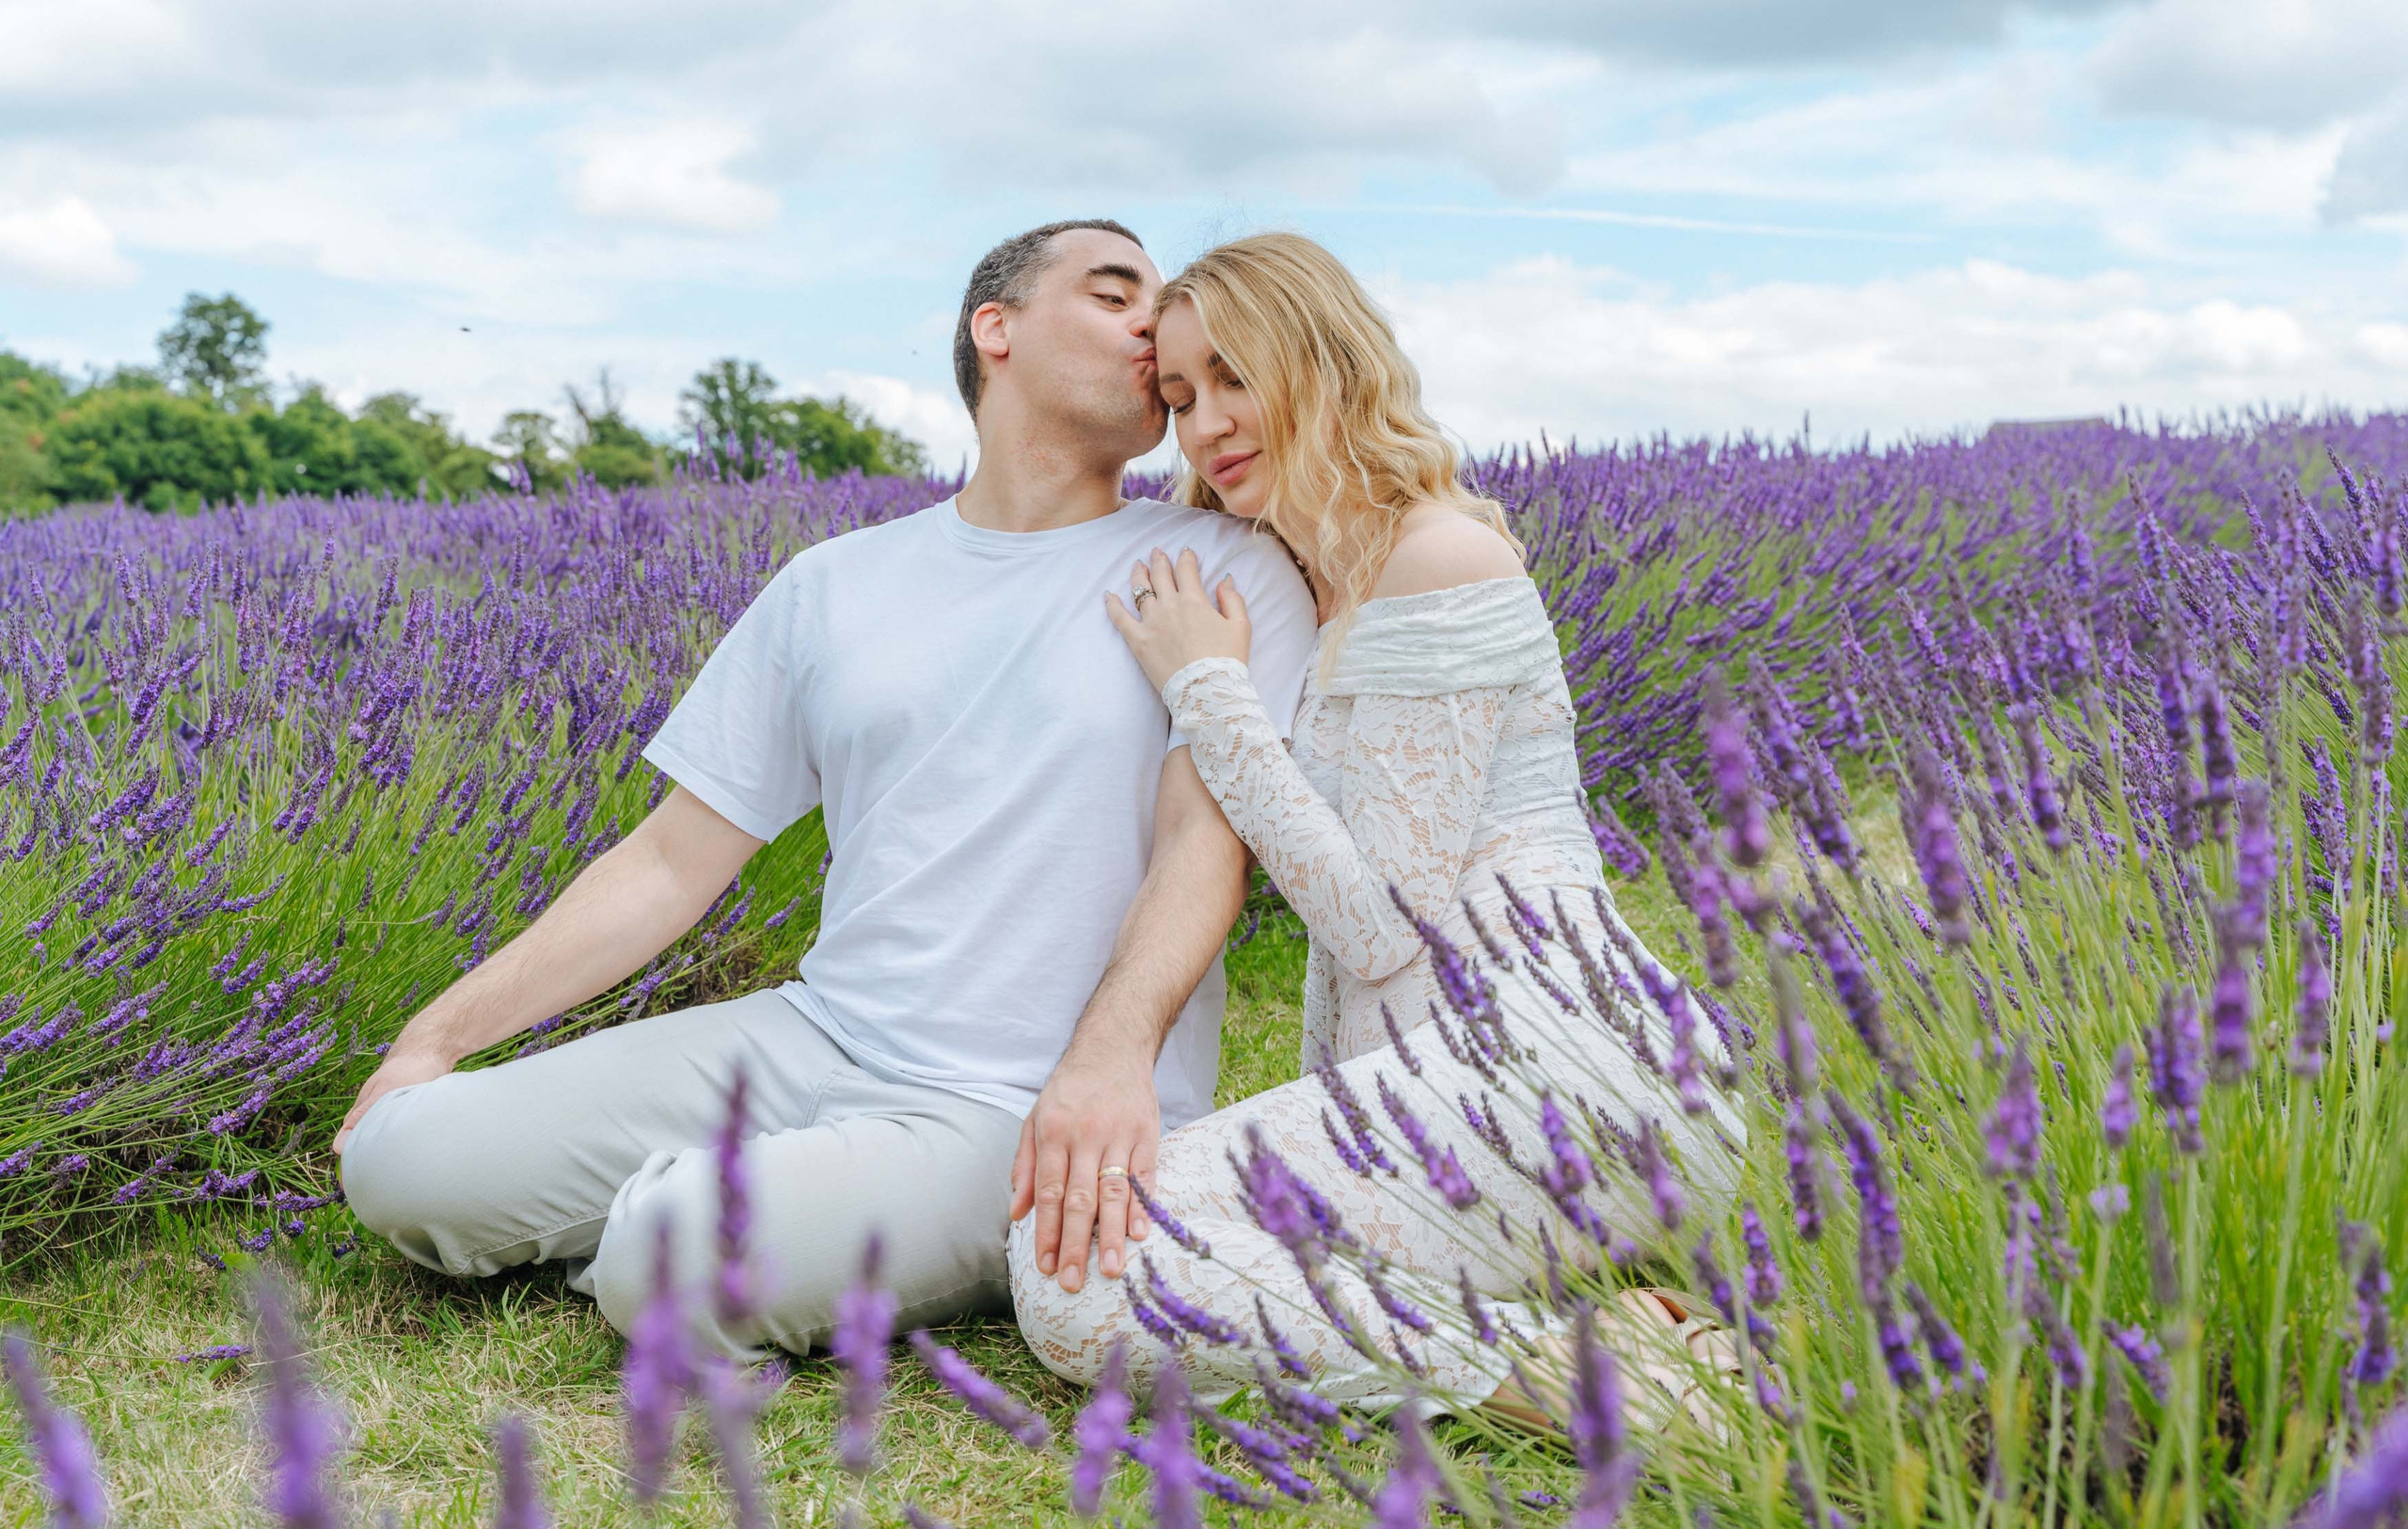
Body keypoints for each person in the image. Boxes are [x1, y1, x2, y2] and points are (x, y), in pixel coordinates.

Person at [335, 219, 1320, 1363]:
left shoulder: (1221, 569)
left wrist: (1108, 1064)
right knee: (402, 1157)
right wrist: (435, 1036)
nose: (1154, 327)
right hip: (811, 1035)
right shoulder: (835, 583)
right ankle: (756, 1209)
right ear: (993, 328)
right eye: (1115, 295)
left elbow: (1206, 846)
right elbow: (669, 862)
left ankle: (739, 1221)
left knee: (670, 1260)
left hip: (1012, 1100)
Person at [1008, 232, 1748, 1432]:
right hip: (1468, 1087)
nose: (1205, 426)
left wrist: (1208, 691)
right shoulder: (1316, 580)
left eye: (1236, 377)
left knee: (1075, 1276)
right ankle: (1605, 1337)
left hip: (1572, 1067)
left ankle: (1605, 1395)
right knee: (1097, 1245)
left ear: (1325, 360)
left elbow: (1376, 923)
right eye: (1182, 397)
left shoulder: (1437, 558)